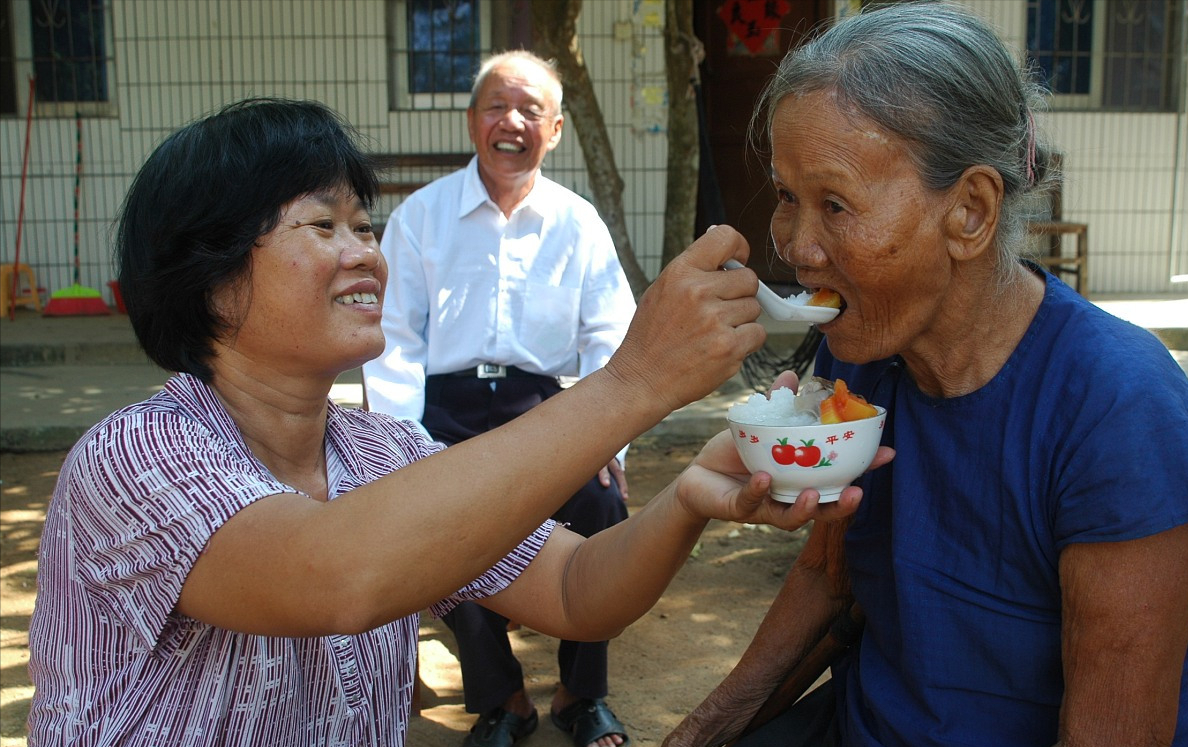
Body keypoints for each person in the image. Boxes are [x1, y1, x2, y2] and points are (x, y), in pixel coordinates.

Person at [24, 97, 881, 747]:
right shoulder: (135, 457)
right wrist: (634, 381)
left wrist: (691, 496)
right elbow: (335, 576)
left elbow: (579, 590)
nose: (366, 251)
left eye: (366, 225)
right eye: (322, 226)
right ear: (210, 278)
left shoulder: (382, 451)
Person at [663, 3, 1188, 747]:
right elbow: (829, 580)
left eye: (835, 204)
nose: (796, 247)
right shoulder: (862, 347)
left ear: (970, 211)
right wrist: (699, 732)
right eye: (787, 196)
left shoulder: (1117, 405)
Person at [361, 50, 637, 747]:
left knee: (603, 505)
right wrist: (402, 446)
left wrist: (608, 434)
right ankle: (502, 697)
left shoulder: (577, 223)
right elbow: (393, 337)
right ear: (471, 119)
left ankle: (582, 690)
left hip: (545, 411)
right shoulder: (422, 218)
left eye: (529, 110)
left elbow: (613, 336)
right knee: (439, 519)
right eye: (495, 106)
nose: (511, 122)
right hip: (444, 410)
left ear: (557, 128)